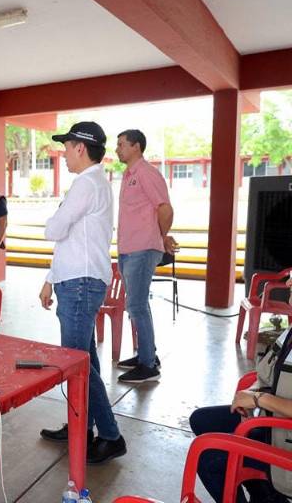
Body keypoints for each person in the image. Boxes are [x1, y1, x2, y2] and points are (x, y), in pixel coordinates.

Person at [38, 122, 127, 464]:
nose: (63, 153)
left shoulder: (86, 183)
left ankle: (110, 435)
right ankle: (81, 425)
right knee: (84, 361)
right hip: (75, 279)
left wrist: (56, 218)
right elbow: (67, 241)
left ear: (81, 148)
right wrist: (50, 279)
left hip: (80, 283)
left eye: (67, 146)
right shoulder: (93, 183)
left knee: (77, 366)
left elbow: (55, 230)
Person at [189, 280, 292, 502]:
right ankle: (264, 494)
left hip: (285, 442)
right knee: (201, 419)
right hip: (271, 426)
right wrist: (252, 392)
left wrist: (257, 399)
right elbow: (264, 373)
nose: (289, 281)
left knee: (209, 458)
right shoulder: (290, 332)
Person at [115, 129, 177, 383]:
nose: (117, 149)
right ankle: (146, 353)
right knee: (138, 305)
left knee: (137, 306)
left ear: (136, 147)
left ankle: (148, 365)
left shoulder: (146, 173)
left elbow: (164, 208)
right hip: (129, 249)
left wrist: (161, 237)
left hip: (142, 248)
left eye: (121, 145)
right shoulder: (128, 174)